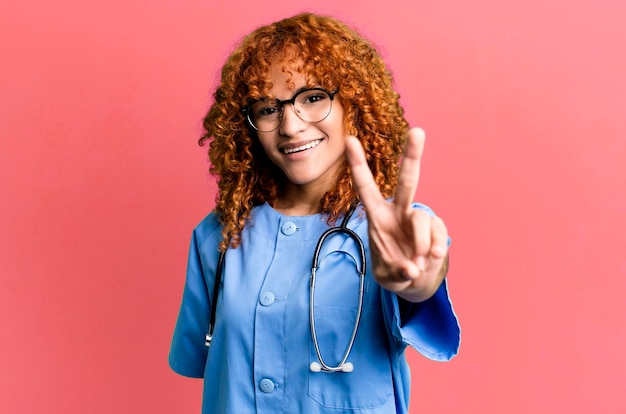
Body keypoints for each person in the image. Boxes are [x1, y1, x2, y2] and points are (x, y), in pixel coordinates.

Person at [169, 12, 460, 414]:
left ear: (353, 105)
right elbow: (204, 361)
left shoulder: (394, 232)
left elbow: (419, 281)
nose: (290, 125)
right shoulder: (218, 236)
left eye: (312, 98)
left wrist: (418, 282)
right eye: (268, 108)